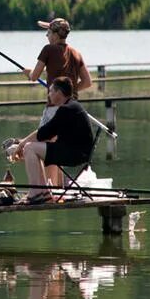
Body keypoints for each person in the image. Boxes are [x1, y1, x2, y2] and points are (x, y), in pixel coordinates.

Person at [22, 17, 92, 186]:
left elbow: (34, 76)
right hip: (72, 109)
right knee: (57, 147)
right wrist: (71, 92)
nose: (46, 36)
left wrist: (28, 72)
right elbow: (88, 82)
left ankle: (49, 188)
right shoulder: (76, 53)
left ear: (55, 35)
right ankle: (57, 188)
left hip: (54, 108)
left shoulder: (48, 50)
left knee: (47, 147)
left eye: (48, 32)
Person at [13, 77, 94, 204]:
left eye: (51, 91)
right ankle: (43, 192)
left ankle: (35, 193)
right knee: (31, 148)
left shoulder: (66, 109)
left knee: (30, 148)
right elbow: (47, 131)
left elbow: (44, 132)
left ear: (59, 93)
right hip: (75, 151)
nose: (49, 94)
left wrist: (22, 144)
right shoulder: (71, 106)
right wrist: (22, 142)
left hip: (74, 154)